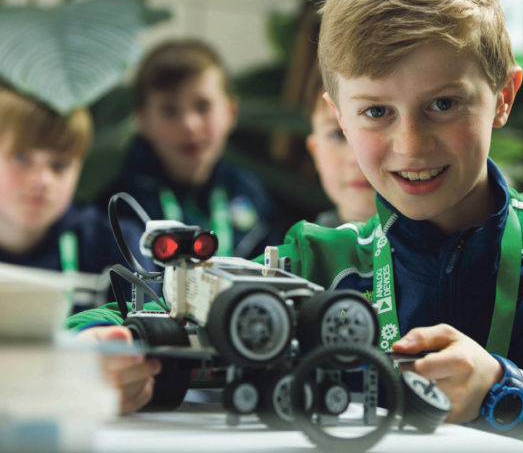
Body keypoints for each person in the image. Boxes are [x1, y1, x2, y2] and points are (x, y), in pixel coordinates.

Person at [65, 0, 523, 451]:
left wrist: (510, 392)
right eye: (374, 112)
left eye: (443, 104)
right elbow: (139, 321)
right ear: (336, 112)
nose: (410, 143)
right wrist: (96, 357)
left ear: (503, 96)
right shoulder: (313, 261)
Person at [100, 38, 280, 260]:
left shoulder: (252, 193)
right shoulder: (119, 207)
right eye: (170, 111)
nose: (189, 124)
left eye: (203, 106)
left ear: (231, 112)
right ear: (142, 121)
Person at [0, 85, 145, 312]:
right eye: (21, 158)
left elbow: (144, 339)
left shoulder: (118, 245)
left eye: (60, 165)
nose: (42, 180)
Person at [303, 64, 377, 226]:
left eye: (373, 129)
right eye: (338, 134)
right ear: (315, 151)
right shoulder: (305, 249)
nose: (355, 157)